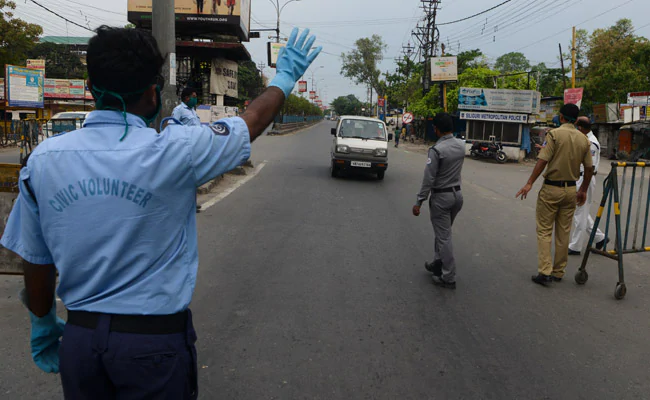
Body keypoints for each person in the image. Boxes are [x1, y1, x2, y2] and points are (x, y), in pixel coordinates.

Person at [0, 26, 321, 399]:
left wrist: (42, 322)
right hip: (152, 346)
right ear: (153, 90)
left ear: (90, 87)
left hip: (81, 343)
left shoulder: (44, 160)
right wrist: (284, 76)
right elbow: (250, 123)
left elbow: (35, 260)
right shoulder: (176, 151)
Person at [516, 104, 593, 286]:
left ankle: (545, 272)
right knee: (563, 232)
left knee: (544, 230)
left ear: (561, 117)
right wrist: (583, 190)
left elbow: (543, 161)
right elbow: (589, 169)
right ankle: (559, 272)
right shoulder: (583, 140)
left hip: (551, 189)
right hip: (571, 190)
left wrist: (529, 183)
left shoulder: (555, 134)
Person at [413, 113, 465, 289]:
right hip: (457, 196)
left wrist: (419, 201)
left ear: (436, 129)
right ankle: (437, 262)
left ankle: (449, 276)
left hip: (441, 198)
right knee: (443, 233)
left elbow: (428, 179)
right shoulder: (461, 146)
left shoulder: (436, 150)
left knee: (444, 237)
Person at [569, 117, 607, 255]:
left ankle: (575, 246)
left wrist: (583, 189)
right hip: (581, 177)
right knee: (582, 211)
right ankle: (599, 237)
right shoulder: (586, 140)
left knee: (579, 213)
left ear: (580, 128)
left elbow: (589, 167)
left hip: (586, 178)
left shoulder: (590, 143)